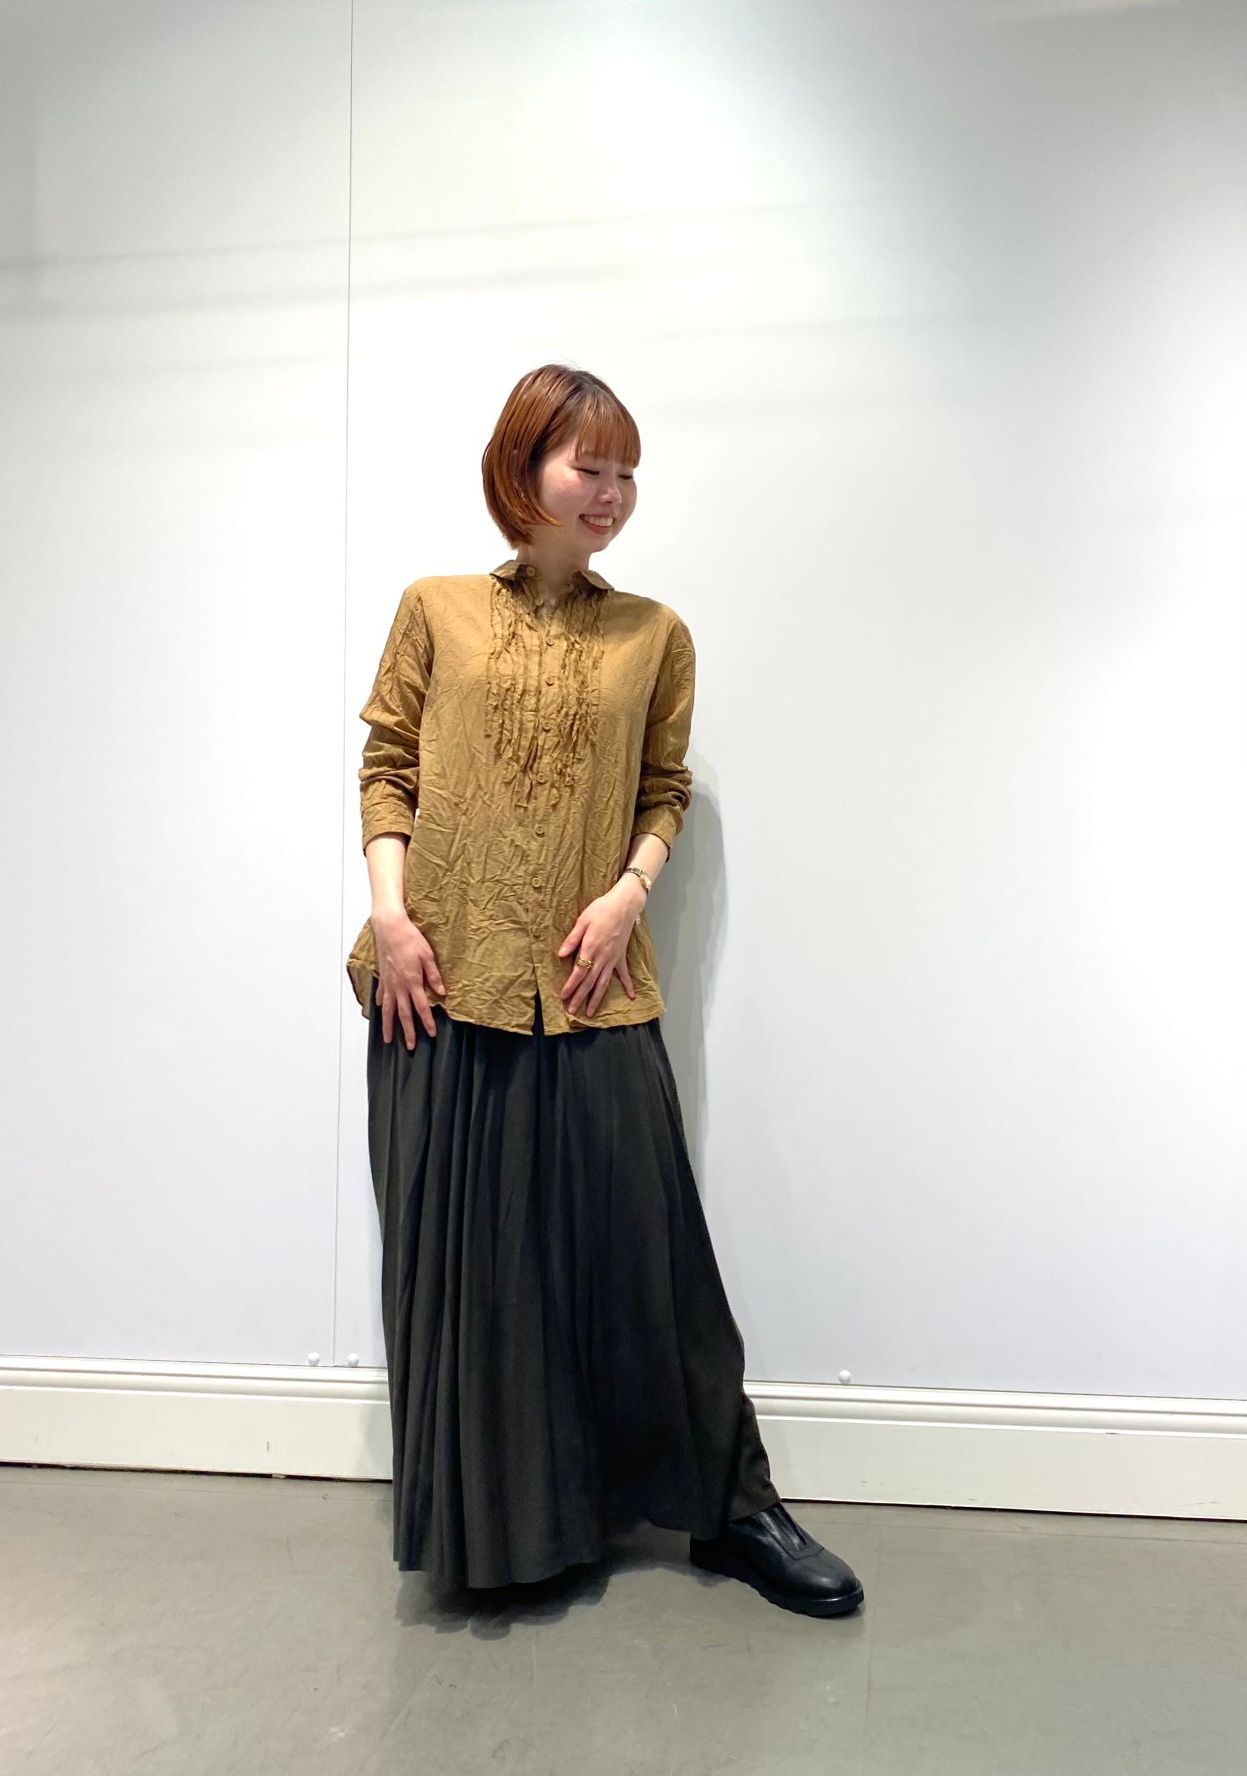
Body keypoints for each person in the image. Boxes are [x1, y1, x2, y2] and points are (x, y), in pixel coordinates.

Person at [345, 364, 863, 1619]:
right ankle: (511, 1532)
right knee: (475, 1279)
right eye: (589, 466)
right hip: (438, 982)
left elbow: (660, 788)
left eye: (627, 471)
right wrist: (391, 918)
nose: (612, 492)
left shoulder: (654, 635)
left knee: (650, 1258)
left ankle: (731, 1511)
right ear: (522, 469)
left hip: (591, 986)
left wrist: (630, 891)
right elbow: (388, 764)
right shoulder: (434, 609)